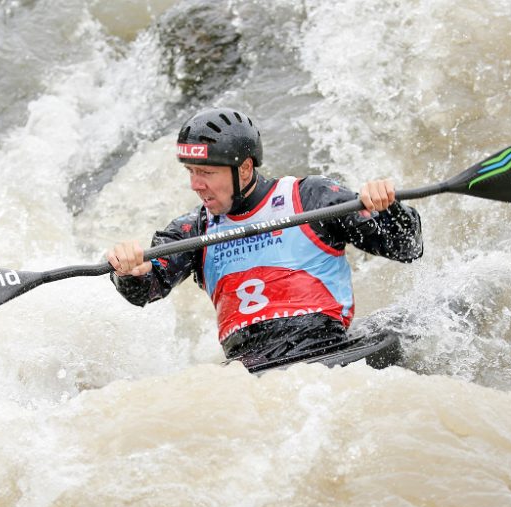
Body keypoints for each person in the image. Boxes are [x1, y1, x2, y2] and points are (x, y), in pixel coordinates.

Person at [106, 107, 423, 365]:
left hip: (327, 350)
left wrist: (389, 208)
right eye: (190, 171)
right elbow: (144, 290)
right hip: (248, 367)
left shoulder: (311, 198)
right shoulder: (193, 230)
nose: (195, 184)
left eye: (206, 173)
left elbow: (406, 246)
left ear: (243, 169)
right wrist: (130, 271)